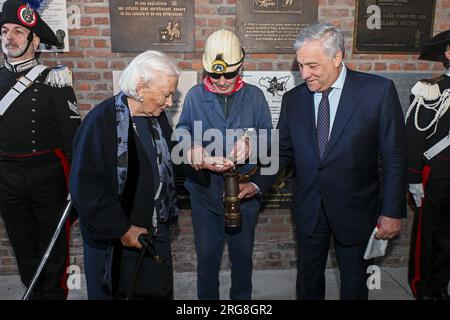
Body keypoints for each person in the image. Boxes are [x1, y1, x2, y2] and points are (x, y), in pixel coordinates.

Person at [239, 23, 407, 300]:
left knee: (354, 282)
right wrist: (256, 184)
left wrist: (391, 212)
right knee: (308, 279)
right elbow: (282, 151)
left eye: (312, 65)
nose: (304, 74)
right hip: (309, 209)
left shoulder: (378, 92)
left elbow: (394, 156)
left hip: (356, 210)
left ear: (337, 58)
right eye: (301, 65)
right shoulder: (294, 99)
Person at [69, 50, 209, 300]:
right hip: (115, 242)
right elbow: (86, 188)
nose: (169, 103)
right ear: (142, 87)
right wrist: (122, 229)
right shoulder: (101, 121)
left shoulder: (156, 118)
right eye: (167, 95)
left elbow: (171, 156)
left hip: (154, 234)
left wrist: (198, 160)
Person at [176, 29, 273, 300]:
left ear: (240, 67)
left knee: (242, 258)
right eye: (214, 74)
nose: (221, 80)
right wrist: (193, 148)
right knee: (207, 258)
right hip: (205, 194)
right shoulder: (195, 96)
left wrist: (252, 145)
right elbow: (182, 132)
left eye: (228, 74)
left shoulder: (255, 96)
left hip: (243, 194)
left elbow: (270, 138)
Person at [0, 0, 80, 300]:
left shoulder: (54, 79)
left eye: (18, 32)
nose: (10, 38)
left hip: (47, 173)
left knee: (54, 246)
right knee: (23, 244)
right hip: (6, 175)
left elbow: (73, 138)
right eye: (5, 31)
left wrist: (77, 182)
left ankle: (54, 296)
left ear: (34, 40)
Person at [406, 29, 450, 300]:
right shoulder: (431, 88)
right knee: (429, 232)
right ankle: (423, 286)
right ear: (448, 53)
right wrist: (412, 178)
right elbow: (413, 136)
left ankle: (441, 286)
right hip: (438, 173)